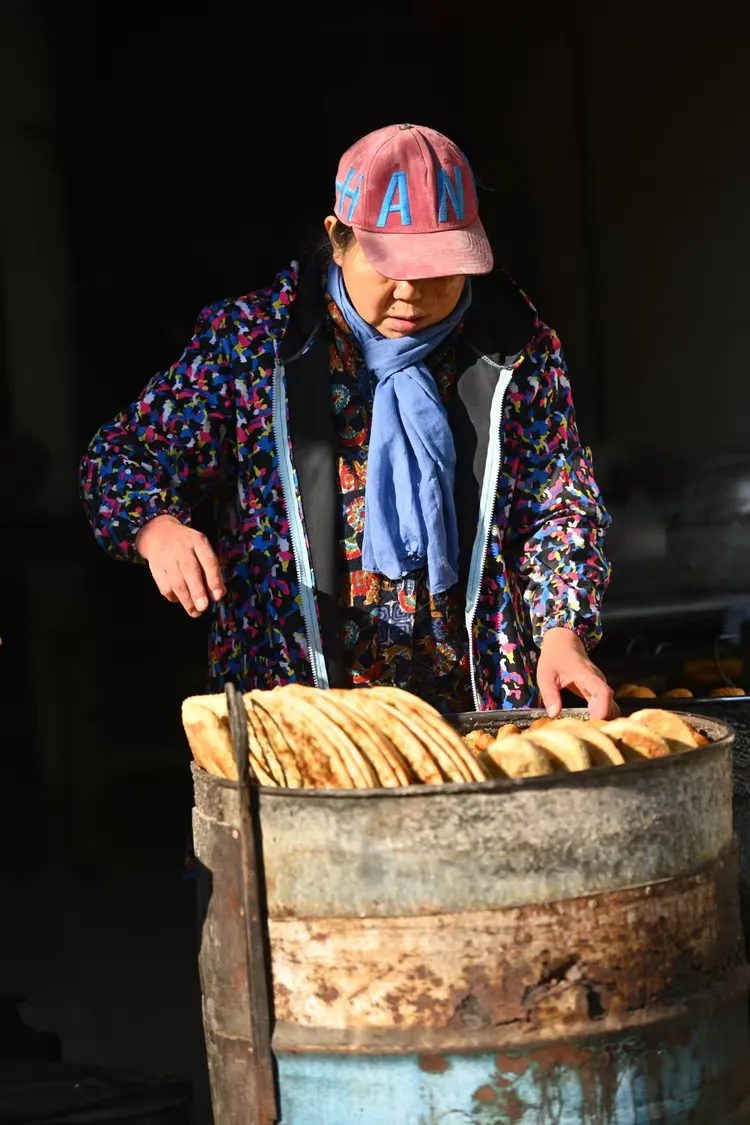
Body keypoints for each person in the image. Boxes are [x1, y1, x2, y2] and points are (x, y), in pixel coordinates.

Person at [80, 123, 614, 718]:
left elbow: (557, 507)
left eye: (438, 268)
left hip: (476, 714)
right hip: (298, 713)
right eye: (390, 266)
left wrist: (562, 631)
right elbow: (122, 456)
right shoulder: (254, 344)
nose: (412, 292)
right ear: (338, 239)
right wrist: (156, 529)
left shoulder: (515, 349)